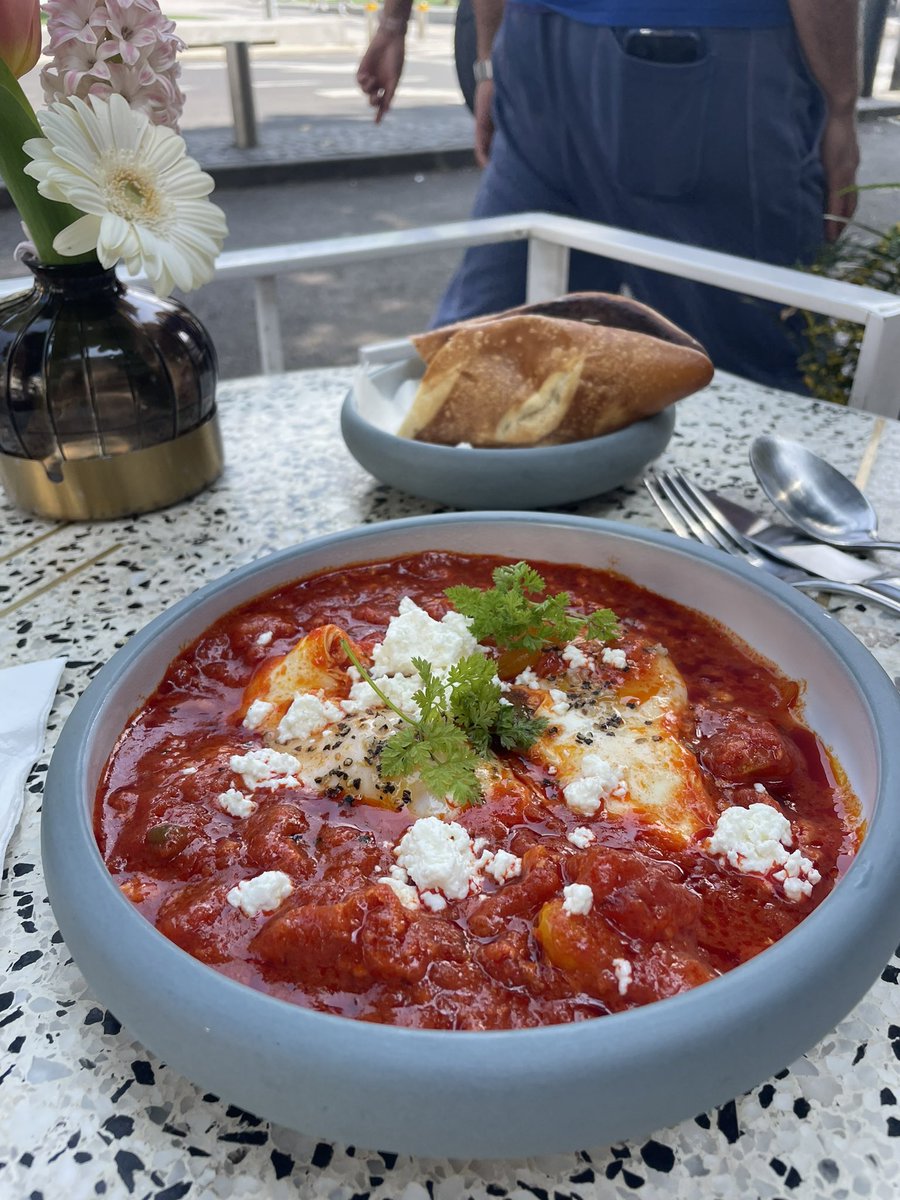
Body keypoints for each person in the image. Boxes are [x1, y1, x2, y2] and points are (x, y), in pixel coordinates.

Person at [430, 0, 862, 393]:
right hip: (704, 54)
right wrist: (840, 106)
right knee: (753, 378)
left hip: (535, 46)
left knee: (482, 367)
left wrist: (488, 60)